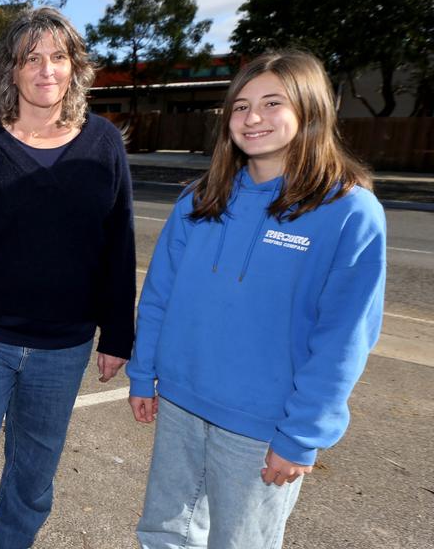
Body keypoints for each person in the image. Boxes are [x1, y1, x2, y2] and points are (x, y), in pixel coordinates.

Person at [126, 50, 386, 549]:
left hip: (264, 426)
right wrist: (144, 372)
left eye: (272, 103)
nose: (252, 118)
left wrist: (302, 434)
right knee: (164, 535)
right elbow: (159, 296)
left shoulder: (350, 213)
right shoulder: (199, 200)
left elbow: (344, 341)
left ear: (310, 111)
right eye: (240, 107)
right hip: (181, 404)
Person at [0, 7, 137, 549]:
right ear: (11, 72)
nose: (45, 70)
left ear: (75, 67)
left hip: (64, 349)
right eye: (30, 58)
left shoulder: (104, 145)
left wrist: (118, 335)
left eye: (58, 57)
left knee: (32, 478)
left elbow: (118, 246)